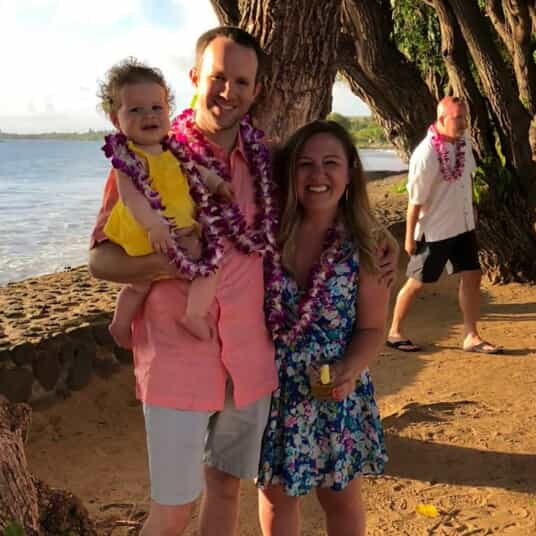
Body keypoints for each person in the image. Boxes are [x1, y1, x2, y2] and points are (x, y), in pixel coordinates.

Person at [89, 27, 398, 536]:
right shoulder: (151, 161)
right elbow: (100, 262)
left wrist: (383, 238)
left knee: (227, 487)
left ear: (256, 91)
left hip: (251, 360)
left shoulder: (267, 163)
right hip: (178, 356)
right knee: (171, 511)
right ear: (193, 79)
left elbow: (325, 189)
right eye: (216, 78)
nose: (227, 92)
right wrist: (177, 266)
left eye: (241, 81)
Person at [257, 120, 394, 536]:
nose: (318, 175)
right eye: (305, 164)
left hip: (337, 390)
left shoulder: (366, 247)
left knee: (340, 498)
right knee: (276, 498)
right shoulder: (266, 237)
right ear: (290, 174)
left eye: (331, 163)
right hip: (271, 390)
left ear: (350, 172)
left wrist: (350, 370)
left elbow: (372, 328)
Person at [97, 58, 233, 347]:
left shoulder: (176, 151)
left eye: (156, 108)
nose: (149, 116)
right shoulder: (127, 160)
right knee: (199, 269)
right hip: (148, 232)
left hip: (180, 229)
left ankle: (180, 315)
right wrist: (154, 225)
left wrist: (218, 184)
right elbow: (131, 197)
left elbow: (198, 172)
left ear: (168, 110)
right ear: (114, 119)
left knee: (149, 282)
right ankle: (127, 323)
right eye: (136, 110)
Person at [386, 96, 501, 354]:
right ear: (441, 119)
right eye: (457, 118)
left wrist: (471, 214)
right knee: (417, 282)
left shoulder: (464, 143)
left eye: (464, 117)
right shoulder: (425, 155)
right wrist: (408, 237)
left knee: (472, 275)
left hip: (462, 225)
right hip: (435, 231)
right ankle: (394, 332)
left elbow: (464, 183)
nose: (462, 123)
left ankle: (471, 335)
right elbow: (415, 201)